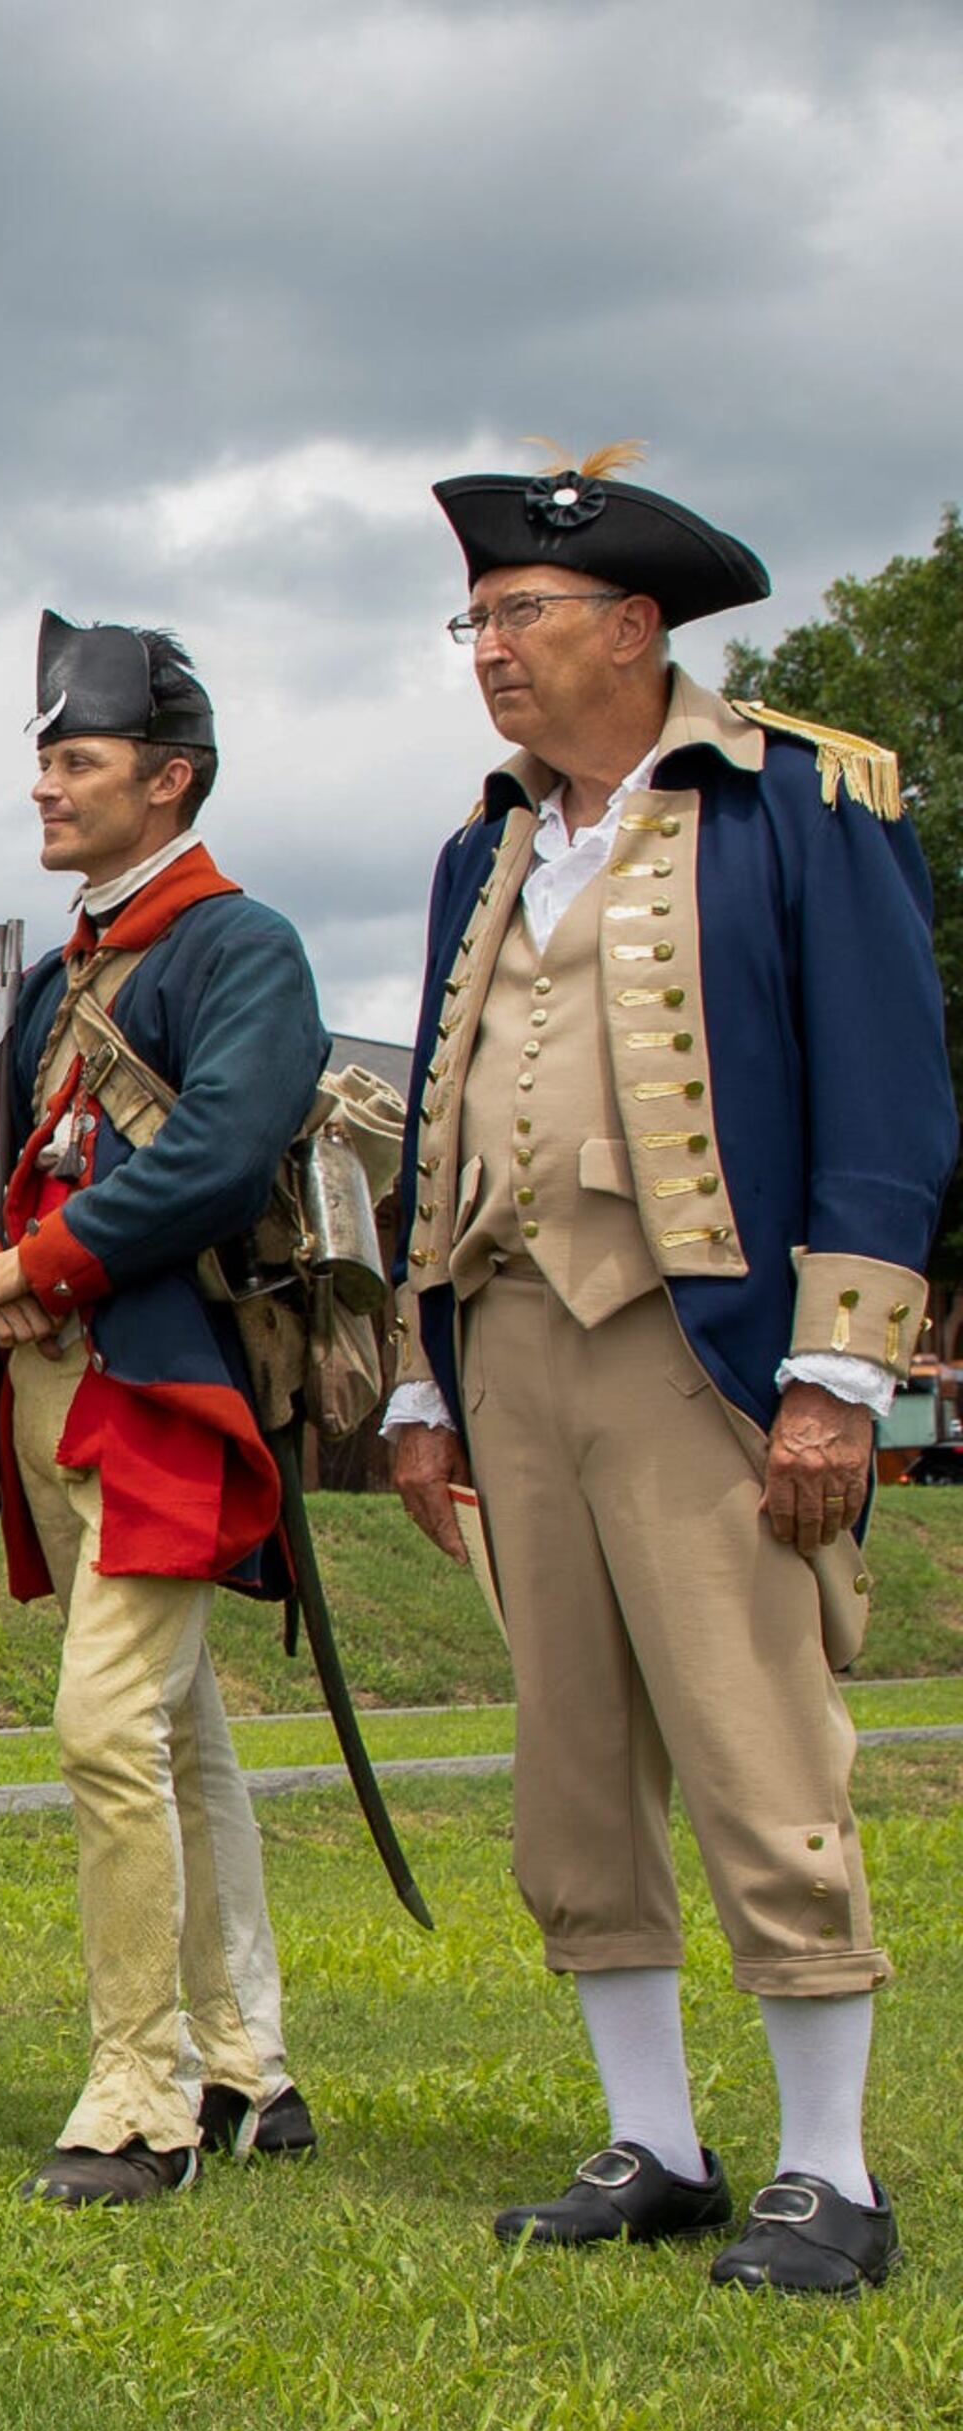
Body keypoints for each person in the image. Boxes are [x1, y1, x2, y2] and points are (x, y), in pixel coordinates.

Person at [385, 446, 952, 2294]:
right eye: (474, 619)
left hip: (707, 1346)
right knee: (571, 1757)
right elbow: (433, 1118)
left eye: (519, 615)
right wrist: (419, 1374)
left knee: (752, 1734)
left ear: (635, 627)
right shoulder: (484, 844)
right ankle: (655, 2140)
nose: (488, 649)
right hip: (519, 1337)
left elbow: (886, 1094)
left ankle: (830, 2167)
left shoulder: (802, 801)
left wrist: (836, 1374)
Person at [0, 616, 328, 2204]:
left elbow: (217, 1154)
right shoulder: (62, 973)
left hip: (153, 1397)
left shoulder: (241, 947)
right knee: (178, 1738)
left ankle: (140, 2091)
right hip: (41, 1398)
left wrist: (40, 1262)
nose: (46, 786)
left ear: (170, 778)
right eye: (44, 759)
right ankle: (248, 2060)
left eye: (76, 760)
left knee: (102, 1730)